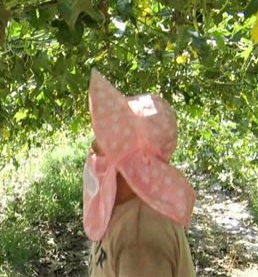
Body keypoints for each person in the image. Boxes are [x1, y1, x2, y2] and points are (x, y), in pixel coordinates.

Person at [83, 69, 197, 277]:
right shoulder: (122, 213)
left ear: (129, 164)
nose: (92, 153)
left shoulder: (139, 237)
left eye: (101, 151)